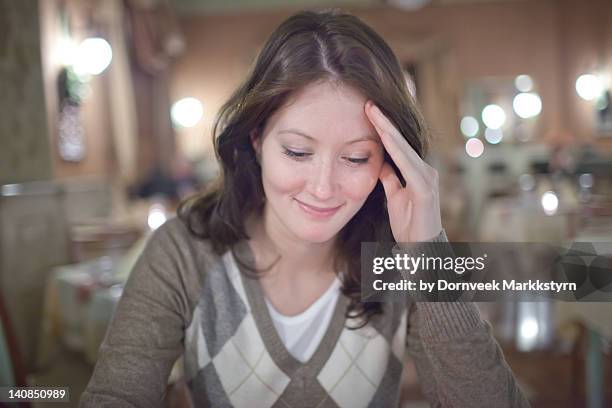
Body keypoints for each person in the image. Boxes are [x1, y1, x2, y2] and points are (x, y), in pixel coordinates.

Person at [81, 9, 530, 407]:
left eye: (355, 157)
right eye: (297, 151)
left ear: (387, 162)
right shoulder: (183, 255)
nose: (322, 188)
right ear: (256, 141)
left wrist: (429, 255)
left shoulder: (397, 264)